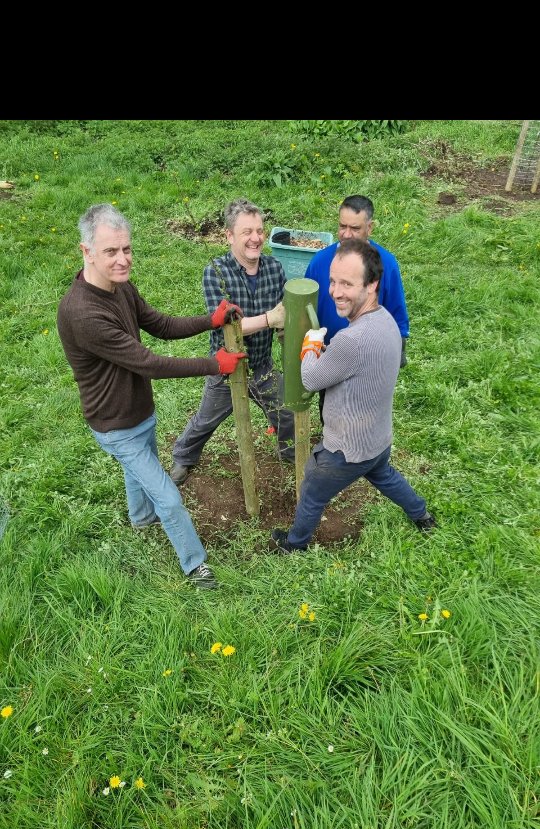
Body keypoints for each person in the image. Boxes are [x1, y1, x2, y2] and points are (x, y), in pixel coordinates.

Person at [57, 203, 247, 590]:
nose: (122, 259)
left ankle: (141, 519)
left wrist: (209, 320)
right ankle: (196, 564)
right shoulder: (82, 313)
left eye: (126, 249)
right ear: (87, 251)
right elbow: (149, 363)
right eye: (111, 251)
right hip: (113, 423)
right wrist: (216, 364)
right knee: (169, 497)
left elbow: (159, 325)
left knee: (138, 469)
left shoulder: (120, 287)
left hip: (139, 410)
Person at [270, 239, 436, 554]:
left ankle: (295, 545)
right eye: (333, 281)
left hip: (346, 450)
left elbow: (310, 377)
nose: (335, 291)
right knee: (384, 475)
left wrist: (311, 346)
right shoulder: (385, 319)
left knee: (313, 490)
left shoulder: (350, 341)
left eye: (347, 283)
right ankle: (422, 515)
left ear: (372, 285)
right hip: (377, 439)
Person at [170, 198, 295, 485]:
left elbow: (282, 314)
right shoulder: (216, 273)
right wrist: (269, 319)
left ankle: (290, 454)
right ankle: (182, 457)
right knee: (205, 420)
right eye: (246, 232)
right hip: (227, 367)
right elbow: (230, 326)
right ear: (229, 236)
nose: (255, 238)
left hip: (261, 366)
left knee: (286, 412)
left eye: (259, 231)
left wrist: (284, 329)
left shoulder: (274, 269)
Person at [305, 194, 410, 367]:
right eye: (342, 226)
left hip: (369, 359)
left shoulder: (386, 264)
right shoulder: (320, 261)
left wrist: (396, 352)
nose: (346, 234)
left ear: (370, 228)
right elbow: (306, 311)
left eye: (355, 228)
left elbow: (396, 315)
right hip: (329, 357)